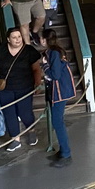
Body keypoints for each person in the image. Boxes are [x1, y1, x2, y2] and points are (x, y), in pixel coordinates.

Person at [0, 27, 42, 152]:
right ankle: (15, 139)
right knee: (9, 113)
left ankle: (31, 131)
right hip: (5, 88)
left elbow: (36, 69)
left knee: (25, 112)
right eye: (14, 37)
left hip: (24, 87)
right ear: (8, 39)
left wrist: (38, 83)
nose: (18, 39)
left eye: (19, 37)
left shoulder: (29, 51)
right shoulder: (0, 50)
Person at [41, 29, 76, 166]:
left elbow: (55, 75)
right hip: (57, 91)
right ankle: (62, 151)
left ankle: (66, 154)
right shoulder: (54, 52)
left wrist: (44, 65)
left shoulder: (54, 53)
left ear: (44, 40)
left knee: (57, 122)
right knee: (57, 121)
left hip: (60, 92)